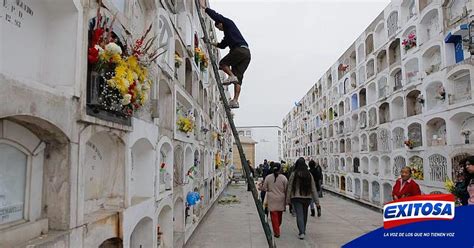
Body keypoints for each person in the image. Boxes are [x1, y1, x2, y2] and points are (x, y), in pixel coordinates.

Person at [200, 0, 251, 109]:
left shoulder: (228, 23)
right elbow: (222, 45)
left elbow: (216, 16)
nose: (220, 29)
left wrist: (205, 9)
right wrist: (209, 42)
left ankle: (231, 76)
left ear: (220, 23)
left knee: (223, 63)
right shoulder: (228, 35)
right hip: (246, 53)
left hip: (239, 50)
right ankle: (235, 101)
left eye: (219, 28)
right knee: (238, 78)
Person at [286, 157, 320, 240]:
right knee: (305, 215)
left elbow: (289, 186)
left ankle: (301, 232)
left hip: (296, 197)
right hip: (307, 198)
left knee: (300, 215)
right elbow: (313, 188)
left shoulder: (294, 174)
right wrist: (317, 202)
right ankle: (303, 230)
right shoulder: (309, 174)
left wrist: (288, 199)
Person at [262, 163, 288, 238]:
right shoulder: (283, 178)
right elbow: (286, 189)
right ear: (280, 169)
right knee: (279, 216)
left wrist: (269, 190)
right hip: (281, 199)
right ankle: (277, 230)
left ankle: (276, 230)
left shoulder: (268, 177)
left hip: (271, 199)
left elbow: (264, 188)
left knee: (274, 216)